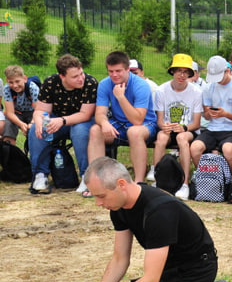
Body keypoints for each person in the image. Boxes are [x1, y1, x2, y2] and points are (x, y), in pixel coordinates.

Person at [64, 157, 232, 282]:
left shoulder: (159, 210)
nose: (98, 203)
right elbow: (119, 259)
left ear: (121, 184)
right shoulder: (118, 207)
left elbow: (150, 281)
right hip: (169, 272)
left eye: (101, 196)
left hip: (195, 273)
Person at [28, 54, 98, 194]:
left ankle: (86, 176)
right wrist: (39, 120)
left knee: (79, 131)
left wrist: (62, 120)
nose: (80, 78)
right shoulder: (50, 82)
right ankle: (40, 175)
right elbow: (41, 110)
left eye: (81, 73)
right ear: (62, 76)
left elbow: (86, 114)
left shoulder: (90, 83)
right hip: (57, 120)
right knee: (37, 128)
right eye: (75, 76)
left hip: (82, 121)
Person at [87, 51, 158, 188]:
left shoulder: (141, 85)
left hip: (145, 125)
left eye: (118, 71)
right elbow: (99, 113)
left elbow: (137, 120)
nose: (114, 75)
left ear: (127, 69)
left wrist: (121, 97)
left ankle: (139, 182)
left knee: (134, 132)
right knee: (96, 130)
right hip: (119, 124)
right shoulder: (104, 84)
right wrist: (104, 123)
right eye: (110, 71)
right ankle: (96, 182)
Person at [152, 54, 204, 200]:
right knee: (161, 137)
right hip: (169, 129)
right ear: (172, 71)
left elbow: (196, 123)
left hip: (187, 130)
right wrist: (165, 126)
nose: (182, 75)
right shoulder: (162, 90)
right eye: (178, 71)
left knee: (182, 139)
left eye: (186, 72)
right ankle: (158, 180)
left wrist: (184, 128)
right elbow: (160, 121)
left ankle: (185, 183)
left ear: (189, 74)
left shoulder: (196, 92)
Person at [191, 55, 232, 174]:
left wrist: (225, 114)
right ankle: (205, 177)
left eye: (219, 77)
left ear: (227, 71)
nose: (217, 80)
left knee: (228, 150)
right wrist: (208, 113)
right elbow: (206, 115)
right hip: (212, 128)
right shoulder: (209, 87)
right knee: (195, 148)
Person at [2, 65, 38, 145]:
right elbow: (10, 113)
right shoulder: (7, 89)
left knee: (34, 128)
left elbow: (38, 111)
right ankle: (9, 150)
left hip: (32, 113)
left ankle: (34, 151)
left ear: (24, 79)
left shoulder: (33, 88)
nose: (15, 85)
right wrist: (21, 124)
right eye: (11, 82)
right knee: (7, 125)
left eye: (17, 81)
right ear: (7, 80)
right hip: (16, 113)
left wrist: (31, 124)